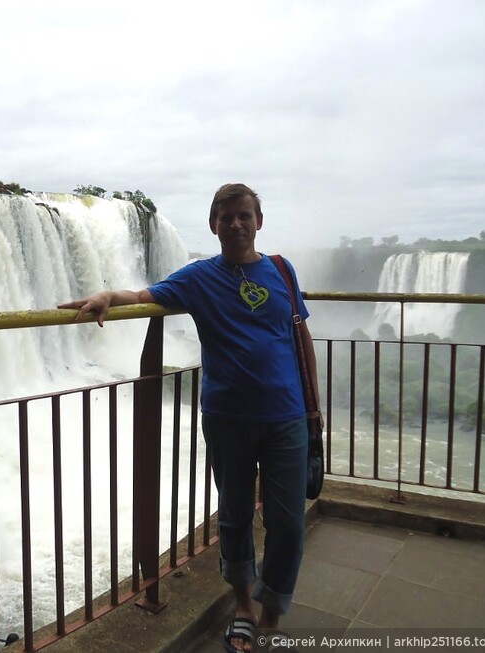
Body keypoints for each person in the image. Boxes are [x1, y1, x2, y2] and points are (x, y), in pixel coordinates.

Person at [59, 183, 321, 652]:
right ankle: (243, 608)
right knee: (236, 517)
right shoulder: (198, 278)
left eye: (244, 215)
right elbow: (142, 294)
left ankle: (271, 616)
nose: (236, 224)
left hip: (288, 417)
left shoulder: (282, 270)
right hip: (228, 417)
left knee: (288, 523)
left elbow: (301, 339)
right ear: (213, 225)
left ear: (258, 221)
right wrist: (105, 296)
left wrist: (315, 410)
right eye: (226, 217)